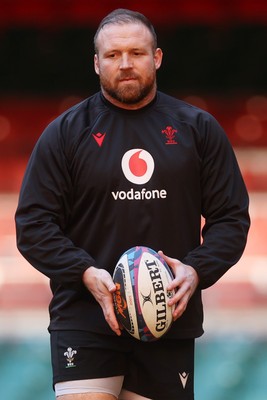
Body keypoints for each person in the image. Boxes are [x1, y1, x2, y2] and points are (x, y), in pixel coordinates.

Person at [15, 8, 250, 400]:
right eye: (112, 55)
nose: (125, 64)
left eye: (137, 53)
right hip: (85, 316)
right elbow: (34, 225)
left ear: (156, 57)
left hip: (166, 317)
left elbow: (231, 218)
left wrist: (196, 270)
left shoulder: (197, 128)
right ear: (96, 63)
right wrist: (86, 272)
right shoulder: (66, 133)